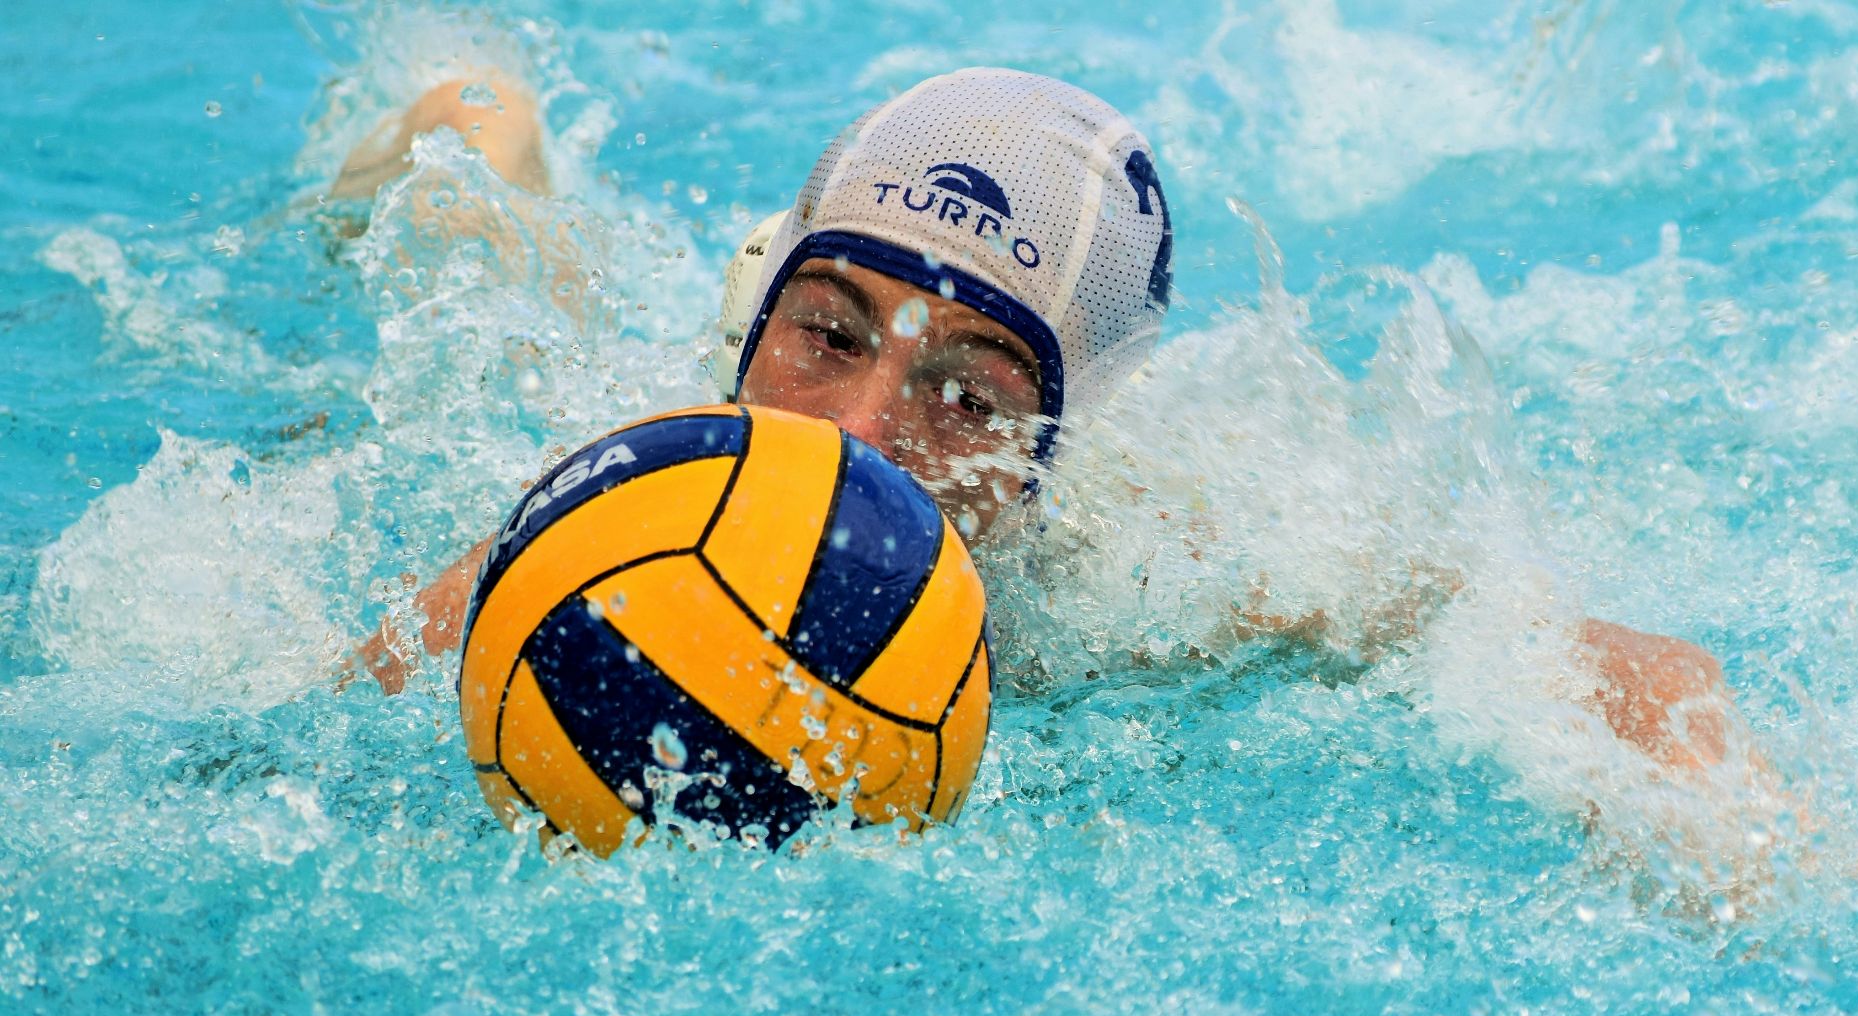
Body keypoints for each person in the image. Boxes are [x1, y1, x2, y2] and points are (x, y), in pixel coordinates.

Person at [345, 67, 1734, 773]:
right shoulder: (626, 509)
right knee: (478, 183)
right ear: (761, 320)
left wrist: (1707, 809)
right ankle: (485, 117)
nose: (859, 433)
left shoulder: (1156, 576)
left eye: (971, 397)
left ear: (1061, 447)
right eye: (824, 333)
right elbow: (296, 725)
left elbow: (1594, 652)